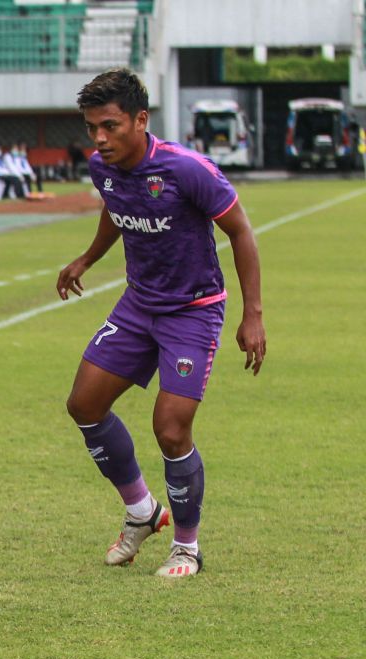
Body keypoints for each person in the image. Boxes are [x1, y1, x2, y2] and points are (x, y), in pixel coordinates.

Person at [57, 68, 265, 579]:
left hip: (192, 311)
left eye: (109, 125)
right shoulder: (101, 167)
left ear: (140, 119)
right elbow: (116, 208)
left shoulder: (187, 169)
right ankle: (142, 512)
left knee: (171, 430)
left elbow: (240, 232)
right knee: (84, 404)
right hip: (138, 306)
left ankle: (186, 546)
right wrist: (87, 259)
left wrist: (252, 316)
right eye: (92, 128)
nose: (100, 138)